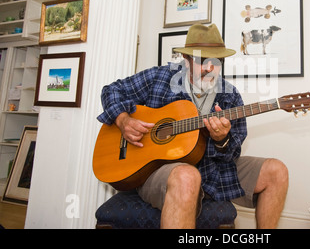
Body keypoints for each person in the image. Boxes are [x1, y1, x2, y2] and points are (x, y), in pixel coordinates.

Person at [97, 23, 289, 229]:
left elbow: (231, 153)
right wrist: (123, 120)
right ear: (186, 61)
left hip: (213, 170)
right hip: (156, 171)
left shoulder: (229, 95)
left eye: (216, 61)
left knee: (277, 171)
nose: (210, 68)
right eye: (202, 61)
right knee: (187, 176)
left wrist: (221, 140)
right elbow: (111, 90)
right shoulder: (160, 77)